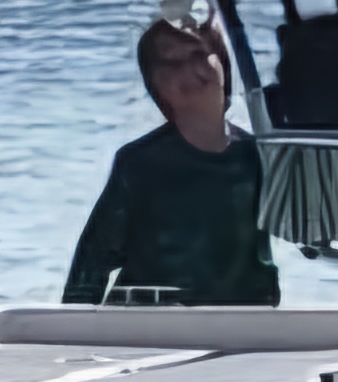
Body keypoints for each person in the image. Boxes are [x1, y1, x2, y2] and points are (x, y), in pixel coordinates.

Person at [61, 19, 277, 308]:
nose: (188, 69)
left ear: (223, 64)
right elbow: (91, 265)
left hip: (241, 321)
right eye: (171, 63)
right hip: (149, 321)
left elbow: (311, 232)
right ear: (155, 85)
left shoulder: (260, 158)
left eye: (198, 55)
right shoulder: (139, 164)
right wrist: (71, 328)